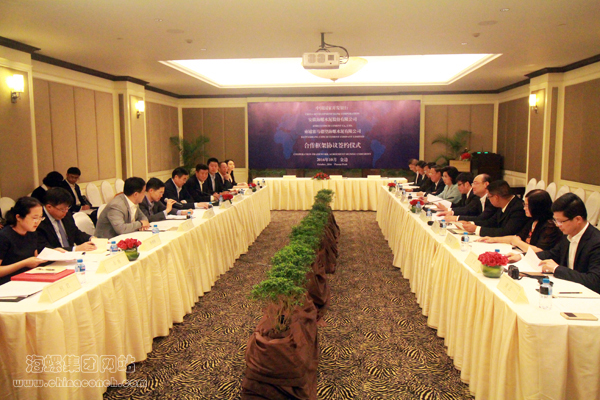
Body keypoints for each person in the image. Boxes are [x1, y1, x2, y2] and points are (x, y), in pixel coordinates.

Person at [522, 193, 600, 293]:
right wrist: (522, 256)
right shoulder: (568, 234)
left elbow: (594, 281)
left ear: (578, 219)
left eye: (561, 221)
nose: (558, 225)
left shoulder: (596, 242)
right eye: (556, 220)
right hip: (569, 288)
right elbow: (552, 253)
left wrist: (556, 269)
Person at [479, 189, 563, 252]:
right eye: (524, 205)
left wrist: (518, 243)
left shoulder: (550, 226)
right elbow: (516, 238)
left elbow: (540, 251)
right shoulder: (532, 221)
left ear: (537, 207)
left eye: (527, 205)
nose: (524, 208)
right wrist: (493, 239)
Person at [0, 197, 45, 285]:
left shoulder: (32, 232)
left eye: (41, 218)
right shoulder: (4, 236)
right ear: (18, 217)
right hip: (8, 283)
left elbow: (34, 258)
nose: (38, 222)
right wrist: (24, 263)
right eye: (35, 218)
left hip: (29, 279)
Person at [460, 180, 528, 237]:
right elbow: (491, 222)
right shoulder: (503, 204)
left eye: (489, 197)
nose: (489, 199)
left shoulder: (518, 208)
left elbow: (507, 232)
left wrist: (476, 229)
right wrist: (471, 223)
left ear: (496, 197)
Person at [36, 188, 96, 252]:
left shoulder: (66, 214)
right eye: (62, 209)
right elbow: (44, 249)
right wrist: (75, 249)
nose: (66, 211)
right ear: (49, 207)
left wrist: (91, 239)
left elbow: (75, 233)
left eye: (67, 208)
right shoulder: (38, 221)